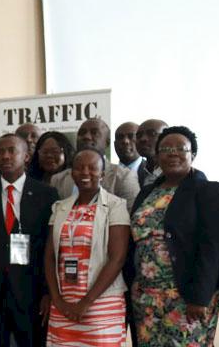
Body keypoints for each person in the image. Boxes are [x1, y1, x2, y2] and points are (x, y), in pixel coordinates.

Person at [125, 126, 219, 346]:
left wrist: (200, 297)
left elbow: (212, 247)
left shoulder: (208, 191)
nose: (173, 153)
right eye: (165, 149)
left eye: (181, 148)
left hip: (186, 297)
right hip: (146, 297)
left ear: (193, 154)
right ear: (157, 155)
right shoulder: (147, 192)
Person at [0, 133, 60, 347]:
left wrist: (48, 291)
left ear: (26, 156)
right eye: (1, 151)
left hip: (32, 292)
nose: (5, 156)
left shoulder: (46, 194)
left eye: (12, 151)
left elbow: (51, 247)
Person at [42, 149, 132, 347]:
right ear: (71, 173)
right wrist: (57, 299)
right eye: (79, 168)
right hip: (63, 303)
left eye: (92, 168)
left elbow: (117, 258)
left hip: (101, 303)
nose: (85, 172)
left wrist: (86, 302)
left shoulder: (116, 205)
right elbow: (49, 256)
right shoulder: (60, 207)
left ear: (102, 173)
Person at [49, 119, 140, 204]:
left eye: (94, 133)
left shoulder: (124, 177)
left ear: (107, 142)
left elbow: (131, 216)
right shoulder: (58, 179)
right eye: (82, 133)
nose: (86, 137)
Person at [133, 120, 167, 187]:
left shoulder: (177, 175)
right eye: (139, 135)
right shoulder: (134, 174)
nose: (142, 139)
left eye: (152, 134)